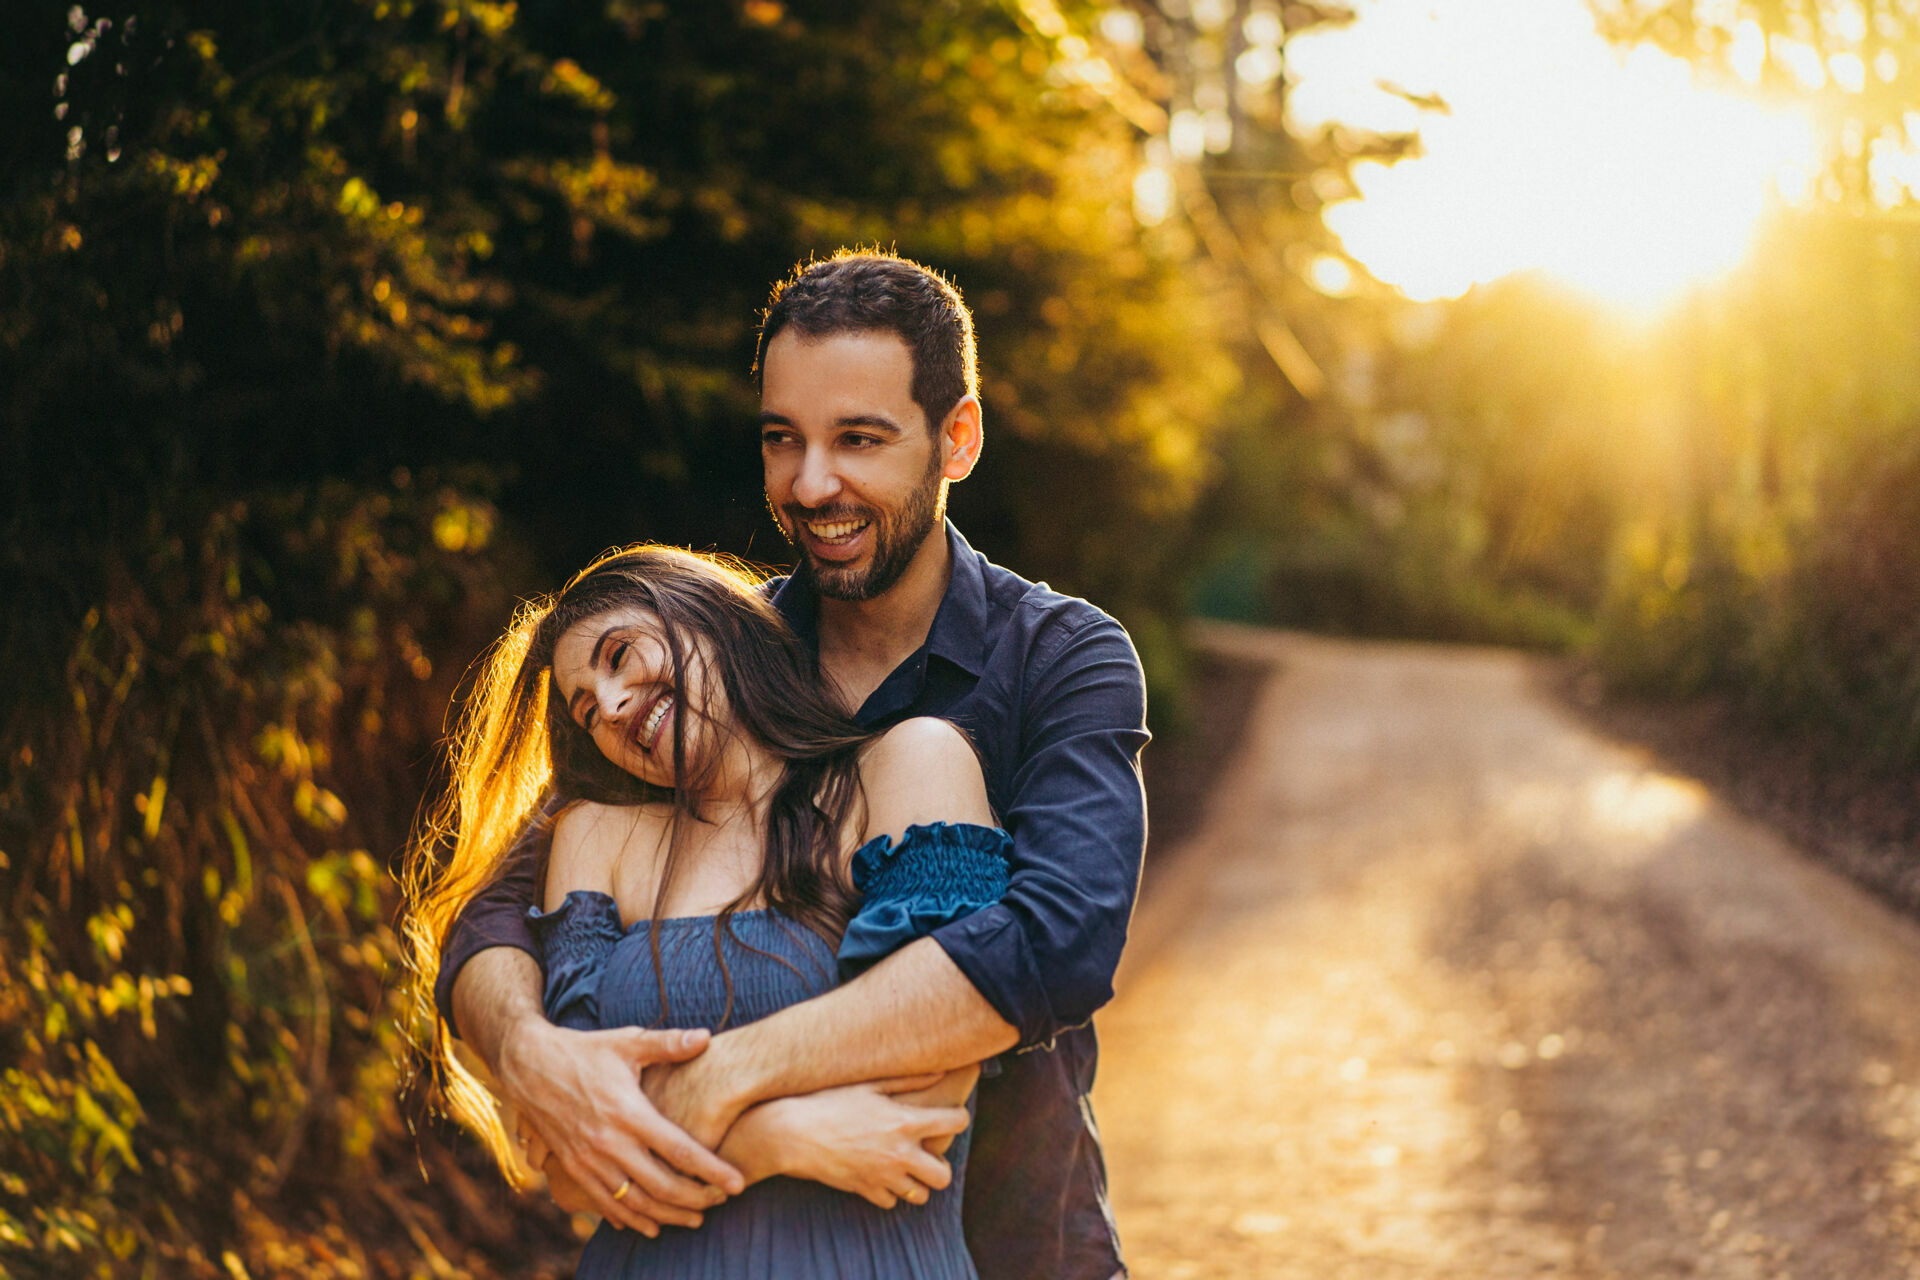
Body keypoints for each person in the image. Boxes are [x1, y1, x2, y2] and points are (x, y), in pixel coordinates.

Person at [431, 250, 1149, 1279]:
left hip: (1009, 1240)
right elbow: (498, 913)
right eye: (783, 440)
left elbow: (1056, 940)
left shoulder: (1060, 656)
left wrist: (723, 1077)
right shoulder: (718, 656)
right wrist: (533, 1054)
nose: (811, 484)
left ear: (958, 437)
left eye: (858, 438)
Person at [408, 544, 1008, 1276]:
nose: (615, 705)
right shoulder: (596, 837)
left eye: (620, 655)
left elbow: (937, 1080)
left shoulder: (910, 764)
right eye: (587, 710)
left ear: (708, 613)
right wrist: (773, 1137)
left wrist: (682, 1108)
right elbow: (570, 1161)